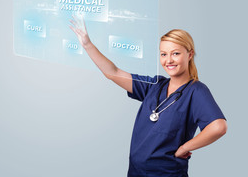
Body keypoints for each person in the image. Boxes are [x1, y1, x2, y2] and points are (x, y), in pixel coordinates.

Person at [69, 15, 227, 177]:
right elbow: (113, 72)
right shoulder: (154, 85)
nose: (168, 60)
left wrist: (186, 147)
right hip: (136, 172)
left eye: (175, 53)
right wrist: (87, 45)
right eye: (163, 54)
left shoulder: (196, 91)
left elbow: (218, 127)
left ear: (190, 54)